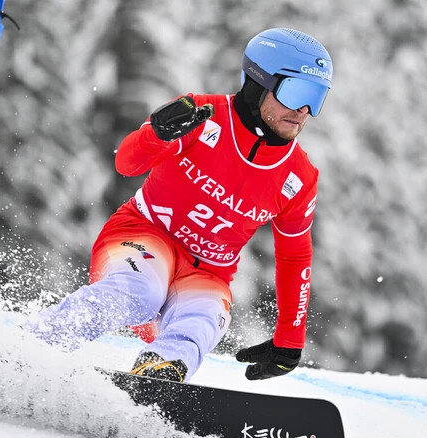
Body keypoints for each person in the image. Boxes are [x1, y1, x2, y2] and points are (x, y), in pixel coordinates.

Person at [29, 28, 332, 382]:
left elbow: (295, 257)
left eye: (316, 97)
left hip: (208, 272)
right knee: (140, 292)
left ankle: (159, 375)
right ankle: (34, 345)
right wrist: (155, 136)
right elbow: (127, 164)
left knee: (204, 320)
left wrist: (289, 339)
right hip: (143, 235)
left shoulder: (299, 176)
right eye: (296, 93)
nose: (304, 111)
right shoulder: (202, 117)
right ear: (259, 82)